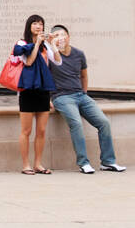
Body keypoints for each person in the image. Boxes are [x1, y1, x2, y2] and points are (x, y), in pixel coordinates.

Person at [47, 25, 126, 173]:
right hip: (61, 97)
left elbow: (84, 75)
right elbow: (43, 78)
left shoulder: (79, 54)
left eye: (62, 35)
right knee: (76, 124)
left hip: (81, 95)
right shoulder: (50, 56)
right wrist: (47, 99)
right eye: (56, 36)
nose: (60, 38)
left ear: (68, 37)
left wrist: (84, 93)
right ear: (52, 39)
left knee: (104, 123)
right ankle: (84, 163)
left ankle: (108, 162)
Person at [14, 14, 59, 175]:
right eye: (35, 23)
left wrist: (52, 44)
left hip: (43, 91)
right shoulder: (22, 44)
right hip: (27, 91)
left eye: (41, 24)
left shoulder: (45, 45)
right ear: (29, 26)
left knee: (41, 131)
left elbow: (58, 61)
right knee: (26, 131)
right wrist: (37, 43)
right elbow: (28, 62)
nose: (38, 26)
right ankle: (25, 164)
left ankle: (38, 164)